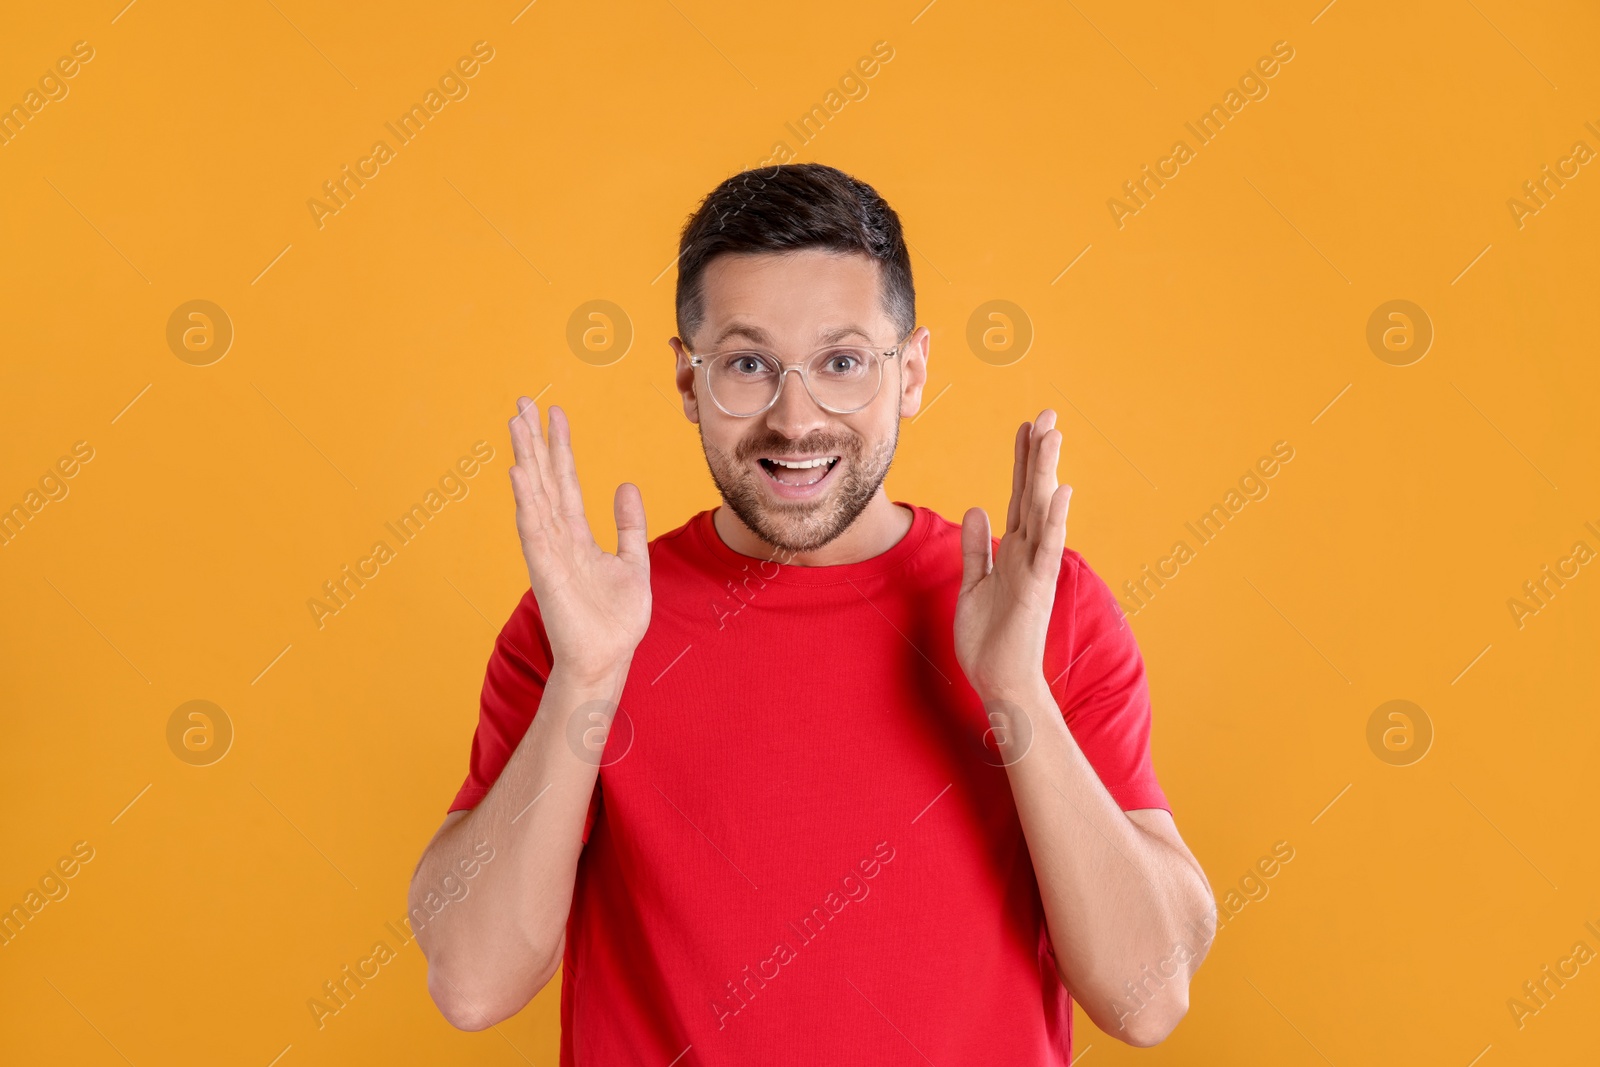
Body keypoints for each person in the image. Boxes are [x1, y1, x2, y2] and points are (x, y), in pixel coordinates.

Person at [408, 162, 1215, 1064]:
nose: (796, 420)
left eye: (842, 363)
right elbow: (474, 981)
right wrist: (588, 678)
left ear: (910, 373)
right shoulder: (586, 622)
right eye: (748, 364)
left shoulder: (1041, 606)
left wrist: (1016, 694)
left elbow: (1148, 998)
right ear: (687, 379)